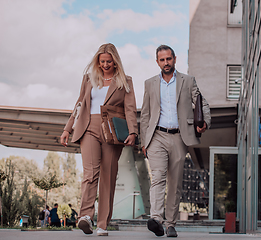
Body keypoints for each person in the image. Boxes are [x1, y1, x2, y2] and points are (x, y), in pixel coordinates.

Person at [60, 43, 138, 236]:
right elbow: (79, 105)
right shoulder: (88, 79)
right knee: (90, 173)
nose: (105, 65)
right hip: (88, 127)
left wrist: (133, 132)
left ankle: (102, 224)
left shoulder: (124, 81)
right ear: (97, 61)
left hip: (112, 131)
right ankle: (86, 216)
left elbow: (130, 109)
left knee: (108, 176)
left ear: (115, 61)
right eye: (102, 61)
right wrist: (67, 129)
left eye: (108, 61)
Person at [140, 45, 211, 237]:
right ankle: (156, 218)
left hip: (180, 136)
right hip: (157, 137)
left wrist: (204, 122)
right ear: (157, 62)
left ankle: (170, 224)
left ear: (175, 59)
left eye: (168, 59)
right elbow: (145, 114)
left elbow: (201, 103)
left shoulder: (188, 81)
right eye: (162, 60)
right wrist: (144, 141)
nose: (166, 63)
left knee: (175, 182)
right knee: (158, 177)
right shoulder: (150, 83)